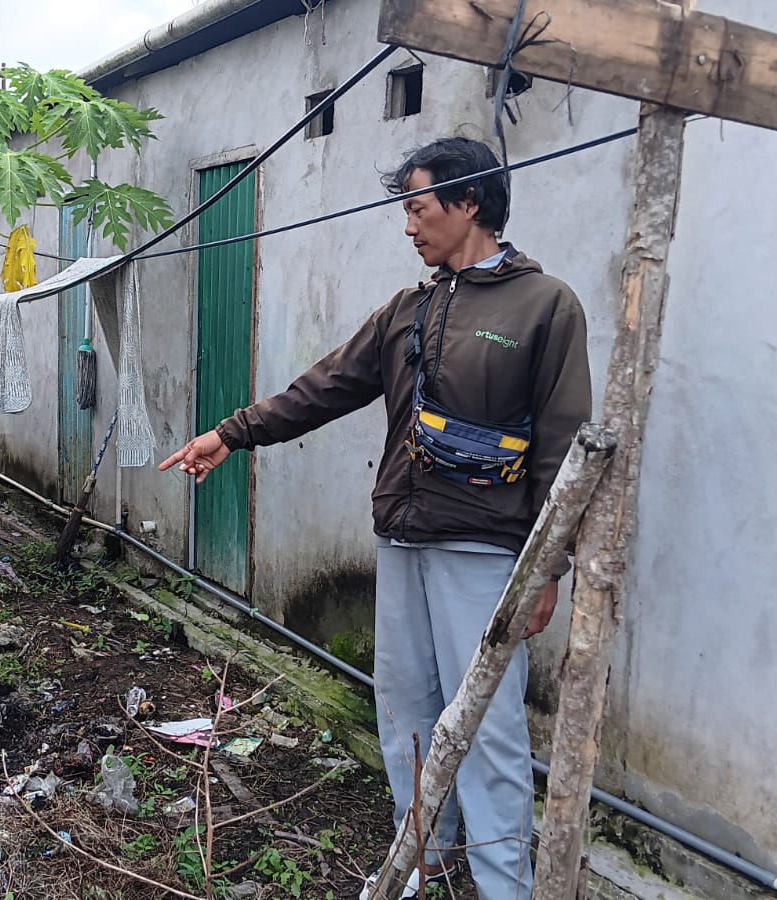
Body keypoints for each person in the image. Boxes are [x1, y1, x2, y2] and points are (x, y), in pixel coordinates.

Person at [159, 137, 591, 899]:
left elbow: (562, 445)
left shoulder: (543, 306)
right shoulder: (407, 309)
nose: (408, 226)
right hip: (403, 535)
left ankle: (504, 886)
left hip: (488, 551)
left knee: (487, 728)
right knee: (406, 711)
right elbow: (324, 387)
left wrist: (549, 569)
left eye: (418, 207)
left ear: (469, 203)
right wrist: (230, 432)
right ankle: (418, 859)